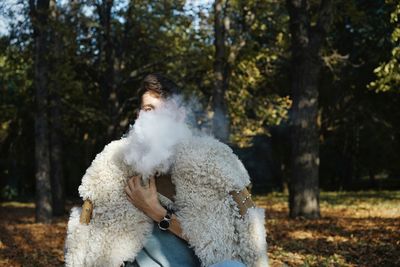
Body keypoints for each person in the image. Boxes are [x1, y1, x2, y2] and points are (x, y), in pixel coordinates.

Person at [64, 74, 268, 267]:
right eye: (149, 109)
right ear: (139, 115)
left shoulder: (214, 163)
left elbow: (239, 236)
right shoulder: (113, 165)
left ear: (180, 115)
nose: (154, 118)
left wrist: (156, 211)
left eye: (164, 110)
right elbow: (85, 232)